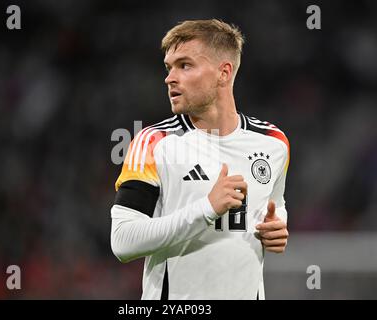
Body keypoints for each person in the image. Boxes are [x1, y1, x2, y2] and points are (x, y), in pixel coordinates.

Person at [110, 19, 290, 300]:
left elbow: (275, 205)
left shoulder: (273, 142)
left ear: (224, 73)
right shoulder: (154, 142)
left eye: (184, 65)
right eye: (169, 67)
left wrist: (276, 226)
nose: (170, 78)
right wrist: (206, 208)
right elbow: (122, 240)